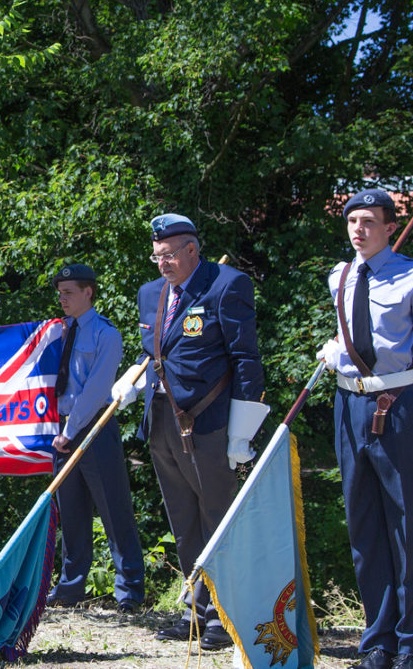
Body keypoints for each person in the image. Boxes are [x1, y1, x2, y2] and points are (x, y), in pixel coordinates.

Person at [112, 213, 267, 650]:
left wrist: (242, 430)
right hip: (161, 420)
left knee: (217, 519)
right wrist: (132, 381)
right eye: (156, 255)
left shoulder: (225, 285)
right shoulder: (151, 294)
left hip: (209, 422)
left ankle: (224, 616)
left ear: (192, 250)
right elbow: (154, 353)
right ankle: (195, 612)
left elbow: (246, 362)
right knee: (183, 521)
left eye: (169, 255)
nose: (161, 263)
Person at [316, 189, 413, 669]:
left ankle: (409, 642)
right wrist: (334, 352)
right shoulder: (340, 276)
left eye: (369, 221)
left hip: (397, 407)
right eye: (352, 221)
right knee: (364, 527)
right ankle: (377, 640)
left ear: (390, 227)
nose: (358, 229)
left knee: (404, 527)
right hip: (349, 405)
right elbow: (348, 333)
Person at [45, 264, 145, 613]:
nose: (62, 298)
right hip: (61, 431)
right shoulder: (55, 332)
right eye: (59, 292)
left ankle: (130, 592)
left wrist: (70, 431)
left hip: (93, 428)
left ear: (88, 292)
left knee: (114, 511)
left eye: (69, 292)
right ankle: (71, 587)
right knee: (70, 513)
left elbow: (96, 389)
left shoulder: (106, 334)